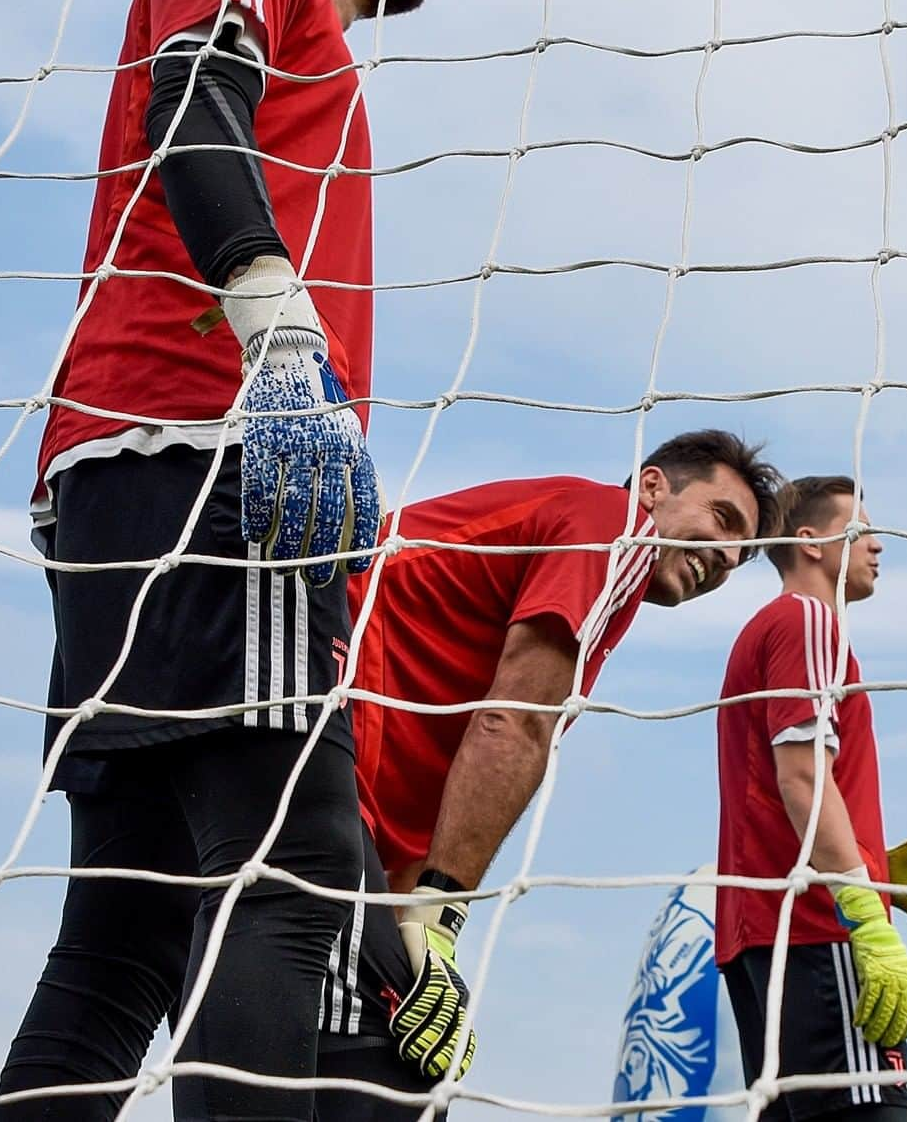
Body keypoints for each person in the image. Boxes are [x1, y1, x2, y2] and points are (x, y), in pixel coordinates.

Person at [0, 0, 440, 1122]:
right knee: (287, 876)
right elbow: (196, 93)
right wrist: (282, 342)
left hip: (132, 464)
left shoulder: (314, 34)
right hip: (215, 439)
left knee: (125, 932)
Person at [310, 430, 785, 1119]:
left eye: (740, 556)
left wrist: (414, 913)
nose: (726, 556)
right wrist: (440, 917)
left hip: (353, 801)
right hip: (315, 736)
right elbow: (515, 721)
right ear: (652, 487)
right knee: (394, 1064)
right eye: (722, 518)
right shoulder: (611, 525)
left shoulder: (595, 591)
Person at [715, 477, 907, 1121]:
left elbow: (769, 796)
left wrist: (876, 864)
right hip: (819, 926)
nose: (879, 545)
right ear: (812, 543)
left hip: (760, 934)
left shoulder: (761, 632)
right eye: (861, 529)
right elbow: (800, 778)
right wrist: (863, 906)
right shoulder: (807, 620)